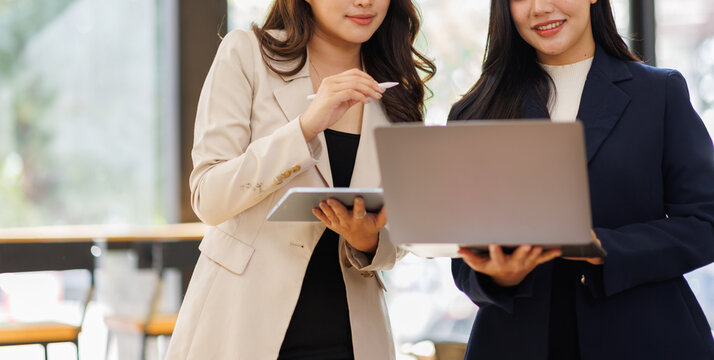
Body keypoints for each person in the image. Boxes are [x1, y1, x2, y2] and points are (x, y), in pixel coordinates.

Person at [165, 0, 435, 359]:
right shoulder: (247, 54)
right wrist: (305, 128)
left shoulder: (397, 86)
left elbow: (404, 230)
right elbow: (209, 197)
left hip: (350, 336)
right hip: (241, 327)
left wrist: (369, 241)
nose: (364, 2)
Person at [448, 0, 714, 359]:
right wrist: (500, 276)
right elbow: (462, 257)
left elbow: (705, 221)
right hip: (516, 341)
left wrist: (604, 247)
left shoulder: (658, 93)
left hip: (644, 337)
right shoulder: (474, 113)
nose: (540, 8)